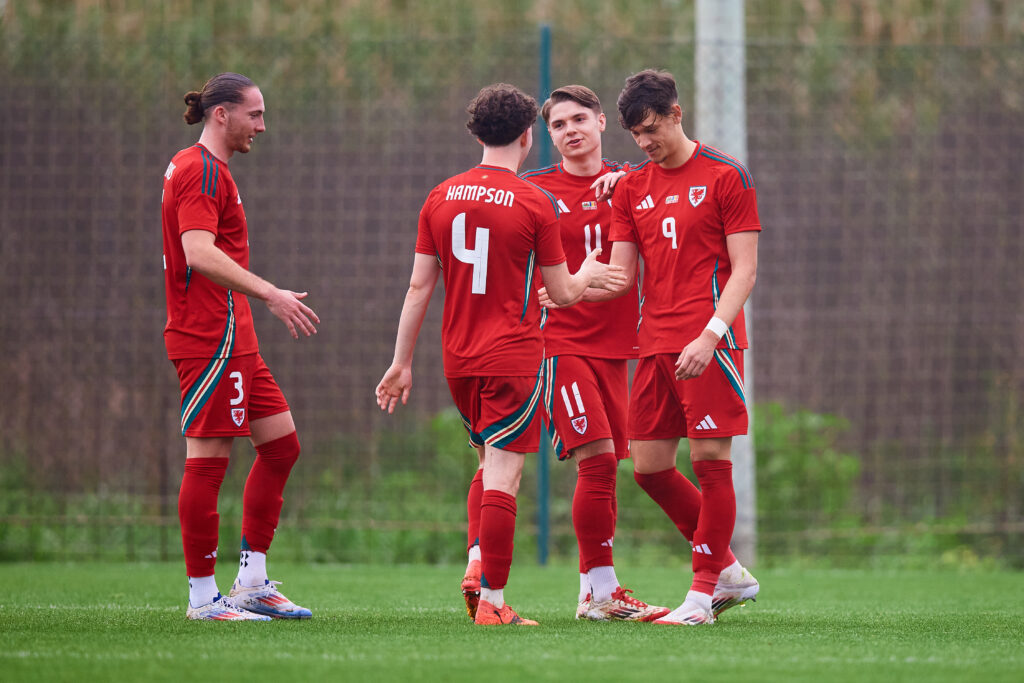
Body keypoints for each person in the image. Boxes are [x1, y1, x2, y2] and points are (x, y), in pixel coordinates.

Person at [375, 83, 627, 626]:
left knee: (488, 465)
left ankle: (479, 569)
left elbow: (418, 288)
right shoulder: (535, 201)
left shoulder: (440, 196)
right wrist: (586, 272)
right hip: (513, 356)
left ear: (476, 135)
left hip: (457, 359)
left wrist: (400, 363)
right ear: (528, 135)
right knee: (503, 479)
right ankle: (492, 602)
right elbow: (562, 293)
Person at [600, 69, 762, 625]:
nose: (644, 142)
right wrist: (568, 287)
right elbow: (621, 276)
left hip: (709, 342)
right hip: (654, 344)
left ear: (676, 113)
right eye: (635, 134)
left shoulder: (726, 174)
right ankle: (729, 572)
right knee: (648, 469)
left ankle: (701, 597)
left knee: (711, 462)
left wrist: (710, 335)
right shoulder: (630, 187)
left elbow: (744, 271)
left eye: (651, 129)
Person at [161, 72, 319, 621]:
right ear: (221, 114)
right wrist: (270, 292)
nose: (262, 125)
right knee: (208, 462)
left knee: (281, 446)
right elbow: (198, 252)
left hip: (235, 338)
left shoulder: (207, 168)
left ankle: (251, 582)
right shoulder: (201, 170)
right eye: (255, 114)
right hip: (210, 338)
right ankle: (204, 598)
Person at [515, 85, 667, 622]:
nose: (570, 130)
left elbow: (674, 178)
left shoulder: (636, 179)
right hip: (557, 343)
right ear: (548, 136)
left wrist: (628, 180)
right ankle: (602, 591)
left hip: (618, 347)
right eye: (558, 125)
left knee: (608, 469)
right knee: (597, 461)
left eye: (579, 119)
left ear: (602, 122)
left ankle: (593, 591)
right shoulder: (533, 189)